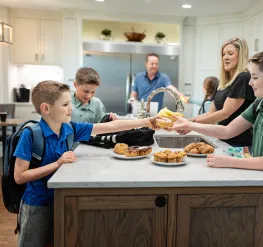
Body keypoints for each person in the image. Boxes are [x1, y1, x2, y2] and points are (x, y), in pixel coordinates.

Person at [169, 48, 263, 247]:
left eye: (254, 77)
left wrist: (228, 161)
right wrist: (190, 125)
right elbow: (228, 130)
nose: (250, 82)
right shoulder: (260, 104)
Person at [13, 80, 159, 247]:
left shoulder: (70, 129)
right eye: (65, 104)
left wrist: (146, 122)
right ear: (46, 108)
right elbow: (19, 177)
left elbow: (112, 126)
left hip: (60, 200)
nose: (71, 108)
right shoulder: (30, 135)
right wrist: (57, 163)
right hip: (37, 204)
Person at [185, 38, 255, 149]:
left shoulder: (243, 77)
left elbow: (225, 113)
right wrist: (188, 121)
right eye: (223, 54)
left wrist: (192, 124)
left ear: (240, 55)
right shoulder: (222, 82)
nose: (225, 57)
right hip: (223, 140)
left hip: (240, 144)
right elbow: (211, 113)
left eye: (230, 53)